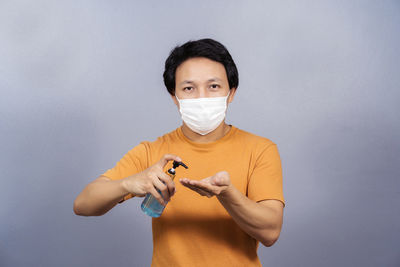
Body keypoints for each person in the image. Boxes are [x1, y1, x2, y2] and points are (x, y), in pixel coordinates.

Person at [73, 38, 285, 266]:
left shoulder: (260, 149)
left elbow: (270, 232)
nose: (202, 97)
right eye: (188, 88)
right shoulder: (152, 151)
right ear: (175, 97)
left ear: (231, 92)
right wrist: (128, 184)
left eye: (213, 86)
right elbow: (83, 204)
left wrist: (227, 194)